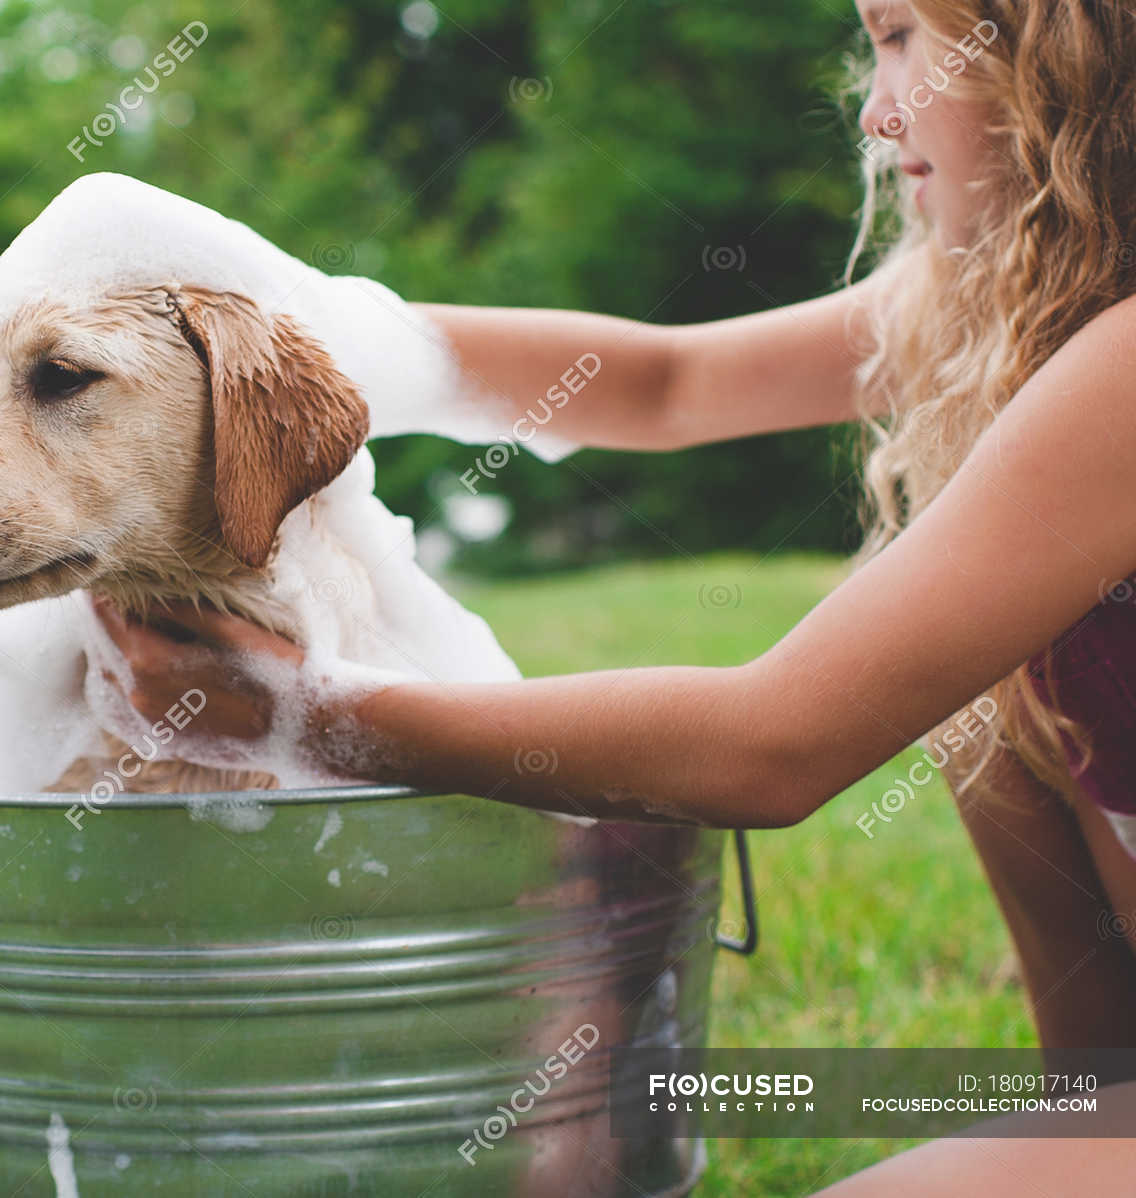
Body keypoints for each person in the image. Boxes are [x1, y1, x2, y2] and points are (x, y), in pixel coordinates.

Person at [93, 0, 1136, 1191]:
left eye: (905, 36)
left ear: (1069, 58)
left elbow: (770, 745)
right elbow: (667, 385)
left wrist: (306, 708)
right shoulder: (1010, 302)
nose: (876, 106)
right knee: (994, 702)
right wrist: (293, 343)